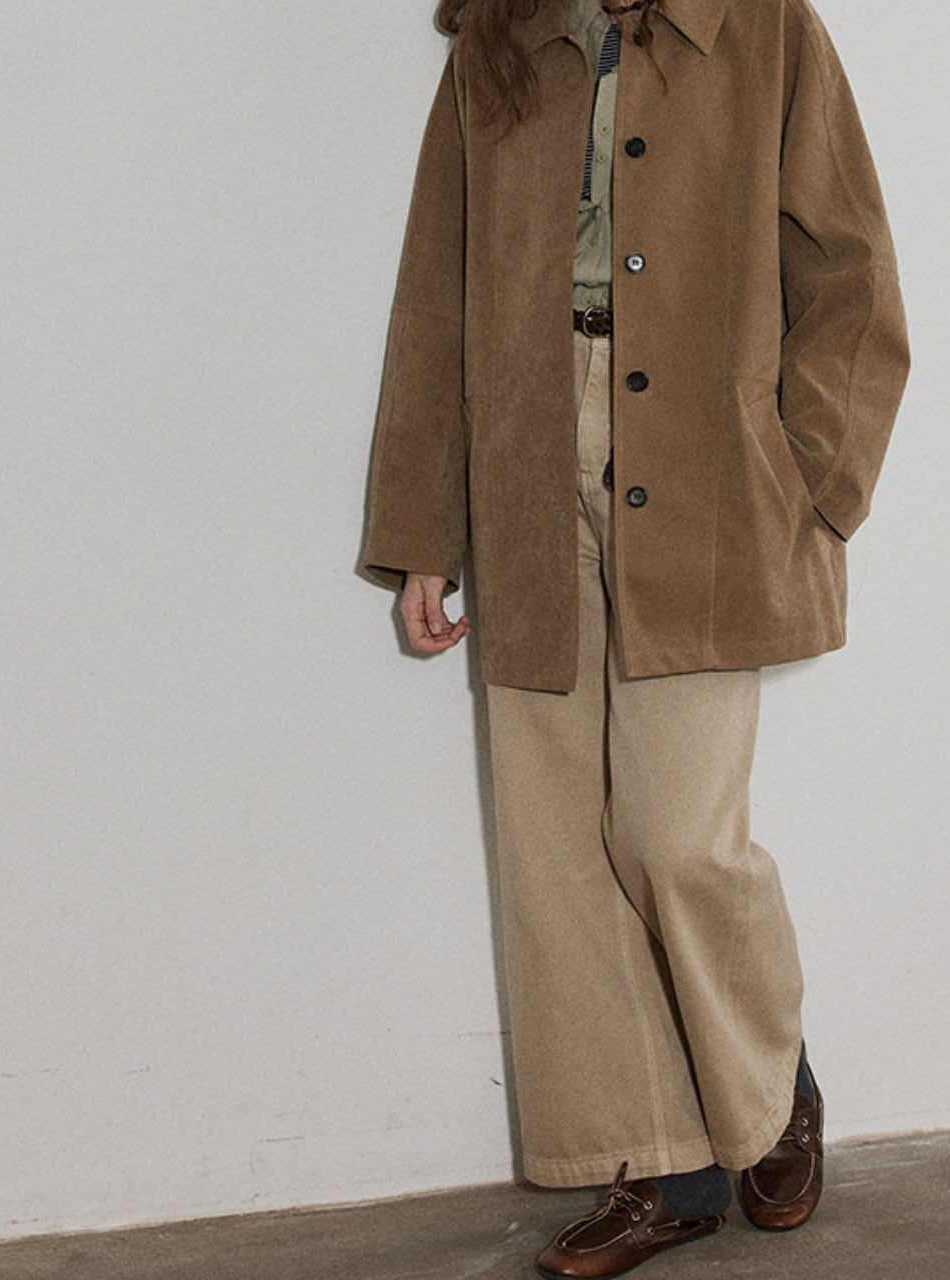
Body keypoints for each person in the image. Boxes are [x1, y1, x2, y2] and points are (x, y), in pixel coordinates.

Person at [358, 0, 908, 1273]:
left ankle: (767, 1087)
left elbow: (850, 269)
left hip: (708, 457)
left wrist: (813, 480)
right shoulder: (498, 39)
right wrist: (424, 529)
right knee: (555, 840)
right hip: (526, 447)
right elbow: (435, 292)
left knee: (671, 833)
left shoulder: (763, 28)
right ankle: (659, 1165)